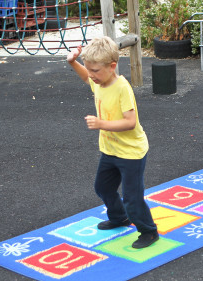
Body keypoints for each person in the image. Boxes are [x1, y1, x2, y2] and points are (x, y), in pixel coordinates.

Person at [66, 37, 158, 249]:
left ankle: (149, 231)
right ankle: (120, 217)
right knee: (103, 187)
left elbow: (130, 122)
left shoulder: (121, 87)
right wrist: (73, 62)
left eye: (95, 71)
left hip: (131, 153)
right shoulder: (99, 81)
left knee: (132, 198)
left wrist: (101, 123)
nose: (91, 75)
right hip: (110, 150)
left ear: (112, 66)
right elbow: (87, 79)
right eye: (89, 69)